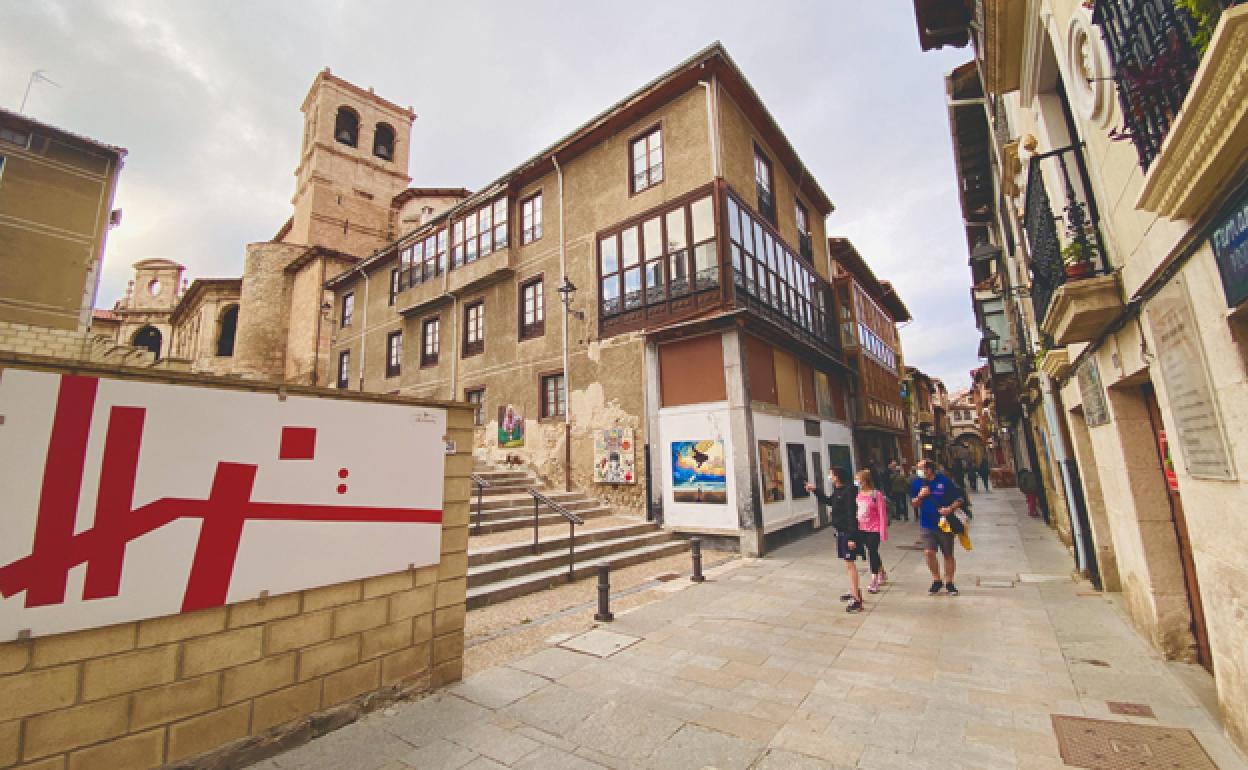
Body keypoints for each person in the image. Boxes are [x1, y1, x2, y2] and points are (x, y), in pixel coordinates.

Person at [806, 467, 865, 612]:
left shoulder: (849, 491)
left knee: (850, 564)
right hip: (840, 532)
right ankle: (854, 590)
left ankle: (857, 599)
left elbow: (851, 514)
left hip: (847, 532)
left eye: (831, 474)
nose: (829, 476)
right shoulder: (837, 491)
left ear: (837, 476)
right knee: (847, 564)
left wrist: (852, 536)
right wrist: (815, 490)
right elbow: (828, 501)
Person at [910, 459, 966, 596]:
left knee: (947, 554)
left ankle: (949, 582)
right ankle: (936, 579)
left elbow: (959, 498)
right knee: (928, 552)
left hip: (944, 523)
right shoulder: (917, 483)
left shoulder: (944, 481)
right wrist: (920, 496)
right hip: (926, 523)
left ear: (929, 469)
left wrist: (950, 508)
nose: (918, 471)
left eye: (921, 468)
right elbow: (914, 504)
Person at [854, 468, 889, 593]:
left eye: (858, 480)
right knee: (871, 550)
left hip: (874, 529)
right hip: (861, 528)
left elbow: (882, 514)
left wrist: (883, 531)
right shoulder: (857, 495)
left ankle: (874, 578)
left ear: (865, 481)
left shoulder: (876, 494)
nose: (856, 482)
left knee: (872, 552)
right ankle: (882, 571)